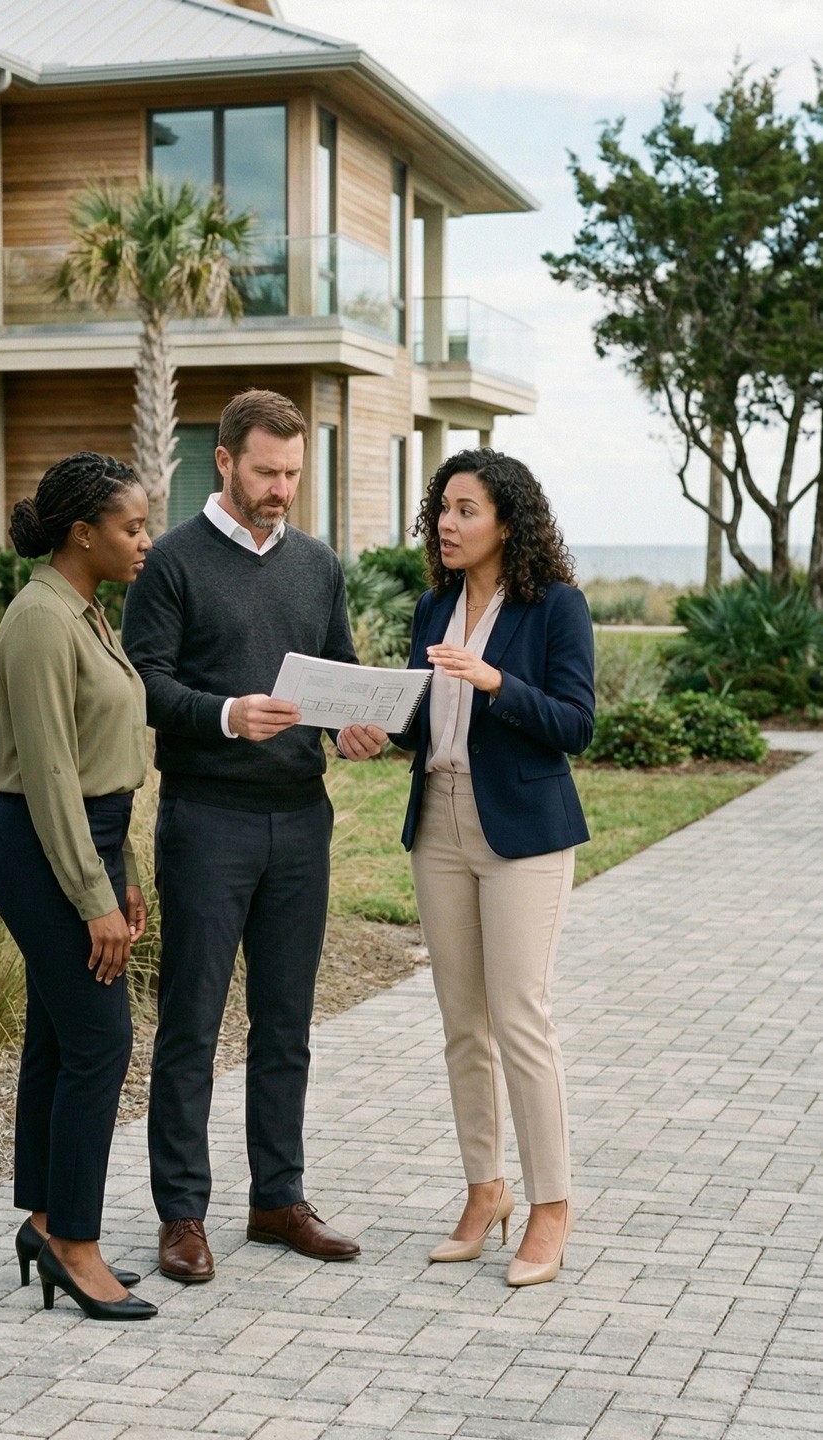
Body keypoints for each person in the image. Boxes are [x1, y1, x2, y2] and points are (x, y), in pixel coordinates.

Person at [120, 388, 385, 1283]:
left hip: (301, 820)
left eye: (294, 474)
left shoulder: (318, 563)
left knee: (287, 1025)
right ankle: (182, 1215)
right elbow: (145, 687)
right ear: (224, 461)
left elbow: (339, 667)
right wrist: (229, 713)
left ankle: (278, 1198)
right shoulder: (172, 564)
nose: (281, 489)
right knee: (191, 1024)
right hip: (207, 820)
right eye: (267, 472)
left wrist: (356, 723)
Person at [395, 447, 594, 1287]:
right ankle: (485, 1189)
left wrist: (494, 682)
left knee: (519, 1019)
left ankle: (551, 1208)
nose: (447, 521)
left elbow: (575, 723)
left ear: (508, 521)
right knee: (461, 1025)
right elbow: (417, 717)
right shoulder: (432, 607)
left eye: (466, 509)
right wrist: (372, 726)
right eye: (442, 507)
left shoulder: (556, 608)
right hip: (438, 822)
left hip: (524, 832)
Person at [0, 450, 157, 1322]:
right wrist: (92, 895)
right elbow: (51, 779)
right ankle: (75, 1245)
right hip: (44, 844)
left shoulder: (85, 612)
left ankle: (47, 1219)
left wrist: (117, 879)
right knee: (99, 1042)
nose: (145, 542)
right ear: (82, 533)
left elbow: (99, 765)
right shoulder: (42, 622)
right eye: (131, 527)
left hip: (88, 840)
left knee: (58, 1035)